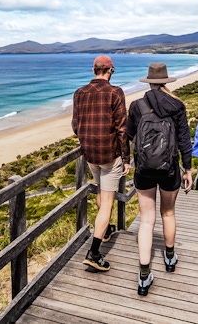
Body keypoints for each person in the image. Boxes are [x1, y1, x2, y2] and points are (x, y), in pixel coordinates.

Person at [126, 63, 193, 296]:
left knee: (146, 220)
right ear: (165, 82)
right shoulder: (177, 106)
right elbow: (185, 140)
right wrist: (188, 169)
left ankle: (144, 275)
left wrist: (127, 161)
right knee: (168, 214)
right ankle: (170, 256)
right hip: (170, 169)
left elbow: (128, 136)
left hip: (143, 170)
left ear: (149, 81)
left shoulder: (136, 105)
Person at [72, 55, 131, 272]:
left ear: (93, 70)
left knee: (100, 192)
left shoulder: (79, 93)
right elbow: (122, 129)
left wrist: (88, 139)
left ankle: (104, 231)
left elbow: (75, 126)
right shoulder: (115, 92)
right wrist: (126, 158)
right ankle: (94, 253)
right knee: (107, 202)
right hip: (110, 155)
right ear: (110, 71)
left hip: (90, 155)